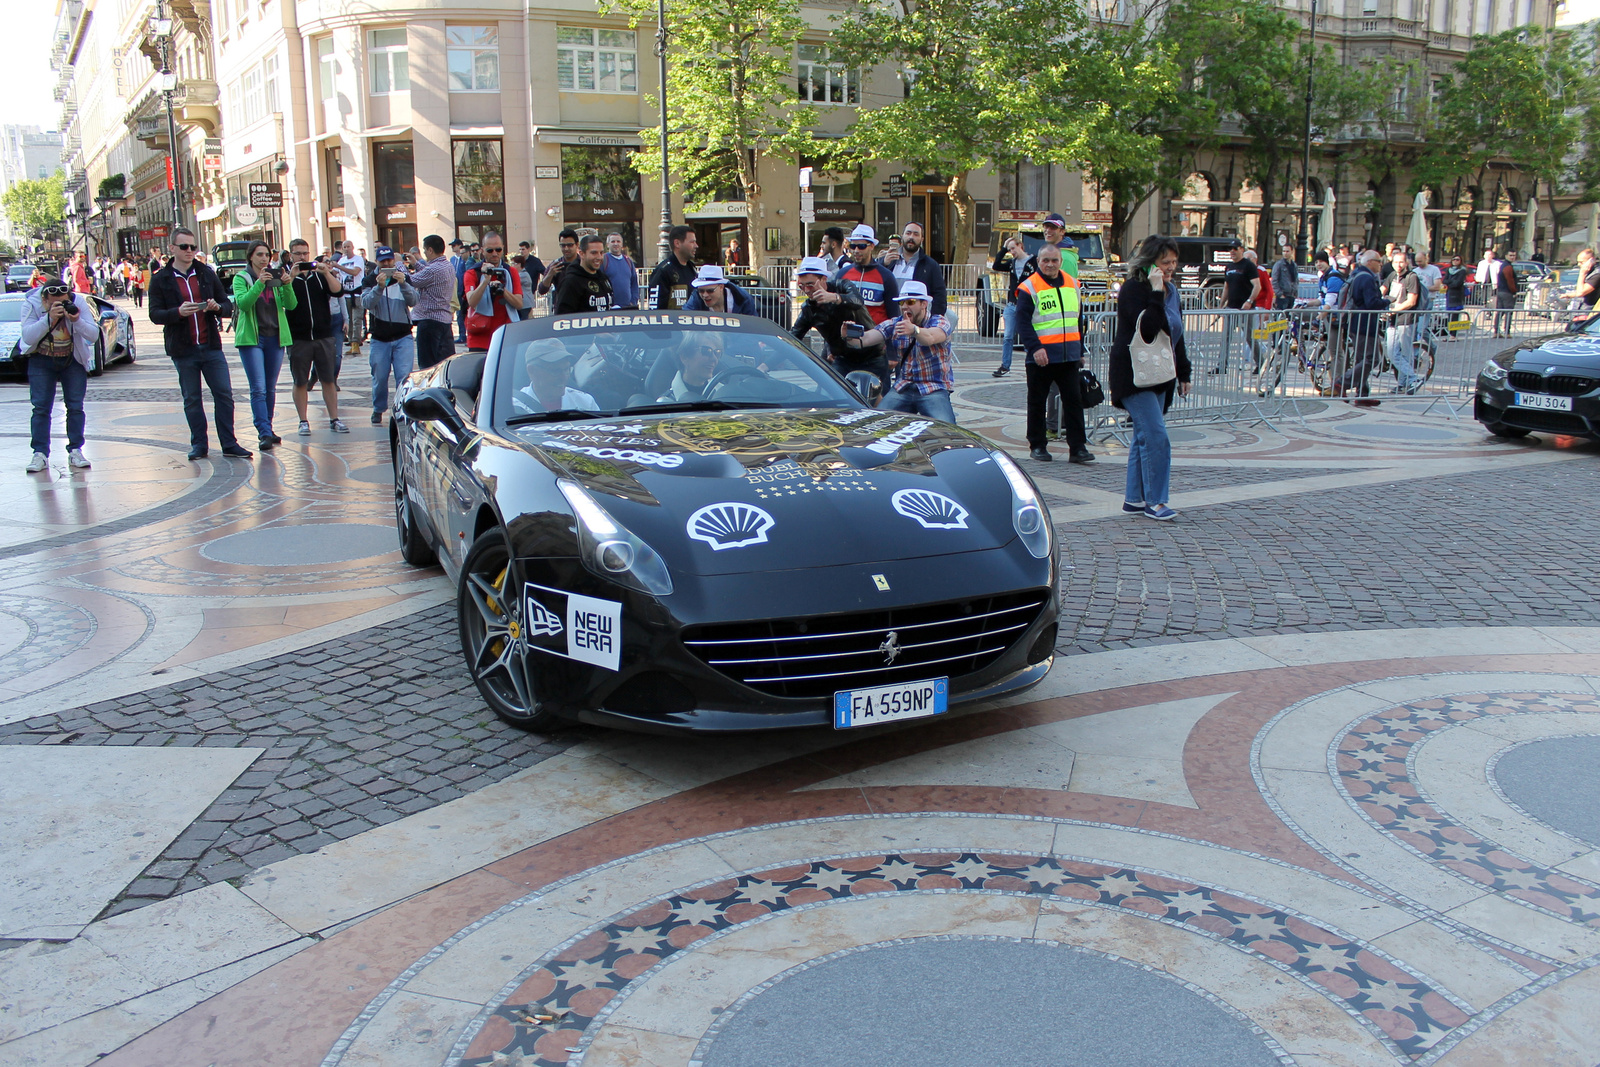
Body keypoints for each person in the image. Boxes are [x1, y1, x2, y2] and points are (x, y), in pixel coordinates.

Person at [1108, 235, 1191, 521]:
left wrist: (1184, 371)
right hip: (1132, 373)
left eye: (1173, 262)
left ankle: (1134, 499)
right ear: (1150, 262)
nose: (1170, 267)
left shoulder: (1173, 291)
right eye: (1164, 262)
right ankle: (1155, 501)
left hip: (1160, 372)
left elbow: (1175, 334)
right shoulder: (1133, 289)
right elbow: (1148, 330)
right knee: (1157, 436)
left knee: (1144, 436)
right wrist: (1156, 292)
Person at [149, 228, 249, 460]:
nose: (189, 251)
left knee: (224, 394)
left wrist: (217, 307)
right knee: (192, 398)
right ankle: (199, 445)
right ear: (172, 248)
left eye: (192, 247)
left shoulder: (205, 273)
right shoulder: (161, 279)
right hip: (183, 348)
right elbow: (155, 314)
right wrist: (177, 312)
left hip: (210, 345)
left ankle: (229, 443)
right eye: (184, 247)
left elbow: (227, 304)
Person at [1014, 245, 1091, 463]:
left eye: (1054, 260)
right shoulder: (1030, 287)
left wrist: (1080, 349)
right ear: (1038, 261)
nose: (1050, 264)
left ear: (1060, 261)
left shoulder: (1072, 283)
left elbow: (1078, 319)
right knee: (1037, 403)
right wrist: (1035, 348)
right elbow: (1023, 323)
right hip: (1041, 357)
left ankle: (1078, 448)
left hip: (1068, 355)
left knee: (1074, 402)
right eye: (1045, 260)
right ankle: (1037, 445)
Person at [845, 279, 956, 423]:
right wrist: (848, 336)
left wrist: (914, 330)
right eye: (901, 303)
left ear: (924, 304)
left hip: (933, 387)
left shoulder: (939, 321)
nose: (904, 307)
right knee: (877, 423)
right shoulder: (896, 323)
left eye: (910, 302)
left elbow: (930, 337)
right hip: (904, 386)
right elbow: (865, 339)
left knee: (947, 430)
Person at [19, 281, 99, 472]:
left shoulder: (77, 302)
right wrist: (48, 319)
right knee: (40, 407)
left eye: (63, 302)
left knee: (75, 406)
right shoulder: (31, 304)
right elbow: (27, 336)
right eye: (55, 302)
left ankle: (76, 450)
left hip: (72, 360)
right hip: (41, 359)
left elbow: (94, 335)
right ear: (44, 300)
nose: (60, 305)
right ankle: (39, 453)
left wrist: (76, 320)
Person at [232, 241, 298, 452]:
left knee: (270, 387)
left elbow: (292, 305)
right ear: (250, 256)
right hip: (253, 339)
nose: (264, 259)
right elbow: (243, 303)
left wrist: (287, 284)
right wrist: (259, 283)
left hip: (275, 337)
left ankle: (268, 427)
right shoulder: (241, 278)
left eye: (267, 255)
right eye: (259, 255)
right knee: (258, 388)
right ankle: (263, 432)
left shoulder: (275, 275)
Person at [790, 256, 887, 393]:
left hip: (871, 355)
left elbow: (858, 301)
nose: (806, 290)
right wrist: (763, 366)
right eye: (802, 285)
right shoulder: (809, 309)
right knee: (829, 395)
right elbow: (792, 338)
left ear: (823, 279)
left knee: (876, 401)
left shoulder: (842, 286)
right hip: (843, 358)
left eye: (810, 285)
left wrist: (834, 297)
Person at [282, 238, 347, 435]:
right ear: (291, 255)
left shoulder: (319, 275)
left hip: (323, 335)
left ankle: (334, 418)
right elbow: (283, 300)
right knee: (300, 380)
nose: (302, 257)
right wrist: (292, 277)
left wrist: (326, 272)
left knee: (328, 379)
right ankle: (303, 420)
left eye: (305, 253)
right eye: (298, 254)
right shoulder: (287, 277)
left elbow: (338, 291)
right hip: (299, 337)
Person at [362, 246, 418, 425]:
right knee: (379, 375)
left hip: (403, 336)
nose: (387, 264)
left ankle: (402, 409)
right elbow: (367, 303)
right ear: (377, 262)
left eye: (389, 261)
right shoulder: (370, 280)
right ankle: (378, 408)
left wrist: (404, 284)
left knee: (404, 375)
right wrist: (378, 287)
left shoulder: (402, 277)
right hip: (380, 337)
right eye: (383, 261)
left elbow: (414, 300)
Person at [1337, 249, 1387, 406]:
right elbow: (1372, 303)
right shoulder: (1366, 278)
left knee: (1361, 358)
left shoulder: (1357, 274)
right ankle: (1342, 383)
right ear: (1370, 262)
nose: (1381, 265)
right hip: (1365, 324)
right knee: (1372, 359)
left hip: (1357, 322)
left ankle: (1362, 394)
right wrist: (1387, 301)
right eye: (1379, 261)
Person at [464, 232, 526, 345]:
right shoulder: (473, 272)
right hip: (480, 337)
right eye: (490, 250)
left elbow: (519, 304)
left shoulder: (510, 272)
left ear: (503, 249)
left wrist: (502, 290)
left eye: (498, 250)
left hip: (506, 335)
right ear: (482, 250)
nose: (494, 254)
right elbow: (472, 302)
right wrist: (485, 281)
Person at [405, 235, 457, 369]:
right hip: (444, 320)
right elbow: (427, 276)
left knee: (428, 366)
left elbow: (411, 280)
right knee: (444, 364)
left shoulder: (433, 269)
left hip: (430, 321)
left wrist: (399, 265)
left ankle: (430, 389)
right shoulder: (447, 265)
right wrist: (416, 264)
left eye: (424, 250)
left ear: (430, 250)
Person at [833, 224, 899, 325]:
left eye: (861, 246)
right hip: (847, 336)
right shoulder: (842, 274)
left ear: (872, 246)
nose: (856, 251)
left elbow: (894, 316)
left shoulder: (886, 276)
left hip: (876, 337)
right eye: (853, 246)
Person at [513, 338, 600, 414]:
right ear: (532, 371)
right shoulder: (515, 407)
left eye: (567, 369)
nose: (564, 377)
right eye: (555, 371)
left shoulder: (585, 402)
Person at [881, 221, 947, 316]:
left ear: (922, 239)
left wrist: (933, 321)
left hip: (917, 321)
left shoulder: (930, 265)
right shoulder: (888, 260)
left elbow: (940, 296)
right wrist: (883, 264)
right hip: (889, 317)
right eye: (908, 233)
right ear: (902, 236)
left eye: (916, 234)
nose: (911, 237)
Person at [990, 234, 1032, 378]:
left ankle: (1031, 364)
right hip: (1012, 304)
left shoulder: (1033, 261)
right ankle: (1005, 365)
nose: (1012, 252)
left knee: (1027, 336)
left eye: (1013, 248)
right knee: (1008, 336)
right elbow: (996, 265)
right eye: (1010, 250)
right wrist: (1003, 249)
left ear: (1021, 246)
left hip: (1027, 305)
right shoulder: (1012, 263)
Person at [1217, 238, 1260, 373]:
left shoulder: (1248, 266)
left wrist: (1249, 301)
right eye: (1230, 249)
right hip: (1231, 308)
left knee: (1250, 338)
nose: (1232, 251)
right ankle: (1221, 366)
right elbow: (1226, 287)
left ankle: (1262, 362)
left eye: (1235, 249)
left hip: (1245, 310)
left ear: (1242, 249)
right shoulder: (1229, 267)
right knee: (1226, 337)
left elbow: (1257, 286)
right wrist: (1221, 305)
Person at [1384, 248, 1423, 395]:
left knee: (1405, 353)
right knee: (1393, 352)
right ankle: (1408, 380)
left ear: (1406, 263)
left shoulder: (1411, 277)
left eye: (1401, 262)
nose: (1398, 265)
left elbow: (1412, 301)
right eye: (1395, 262)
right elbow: (1383, 289)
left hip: (1406, 319)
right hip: (1392, 319)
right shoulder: (1392, 275)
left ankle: (1407, 381)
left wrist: (1395, 309)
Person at [551, 233, 612, 316]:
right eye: (594, 253)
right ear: (582, 254)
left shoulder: (604, 279)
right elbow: (562, 317)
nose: (599, 257)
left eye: (601, 253)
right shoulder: (571, 282)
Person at [658, 333, 724, 402]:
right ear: (684, 357)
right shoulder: (667, 402)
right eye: (706, 351)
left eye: (717, 352)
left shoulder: (725, 393)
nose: (714, 359)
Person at [647, 225, 700, 310]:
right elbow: (655, 310)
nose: (696, 246)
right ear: (677, 243)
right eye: (692, 242)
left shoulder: (691, 268)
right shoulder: (663, 271)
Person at [684, 264, 756, 314]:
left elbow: (752, 328)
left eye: (710, 291)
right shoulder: (696, 297)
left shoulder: (743, 298)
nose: (705, 295)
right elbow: (685, 317)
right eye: (701, 291)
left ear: (721, 287)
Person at [602, 232, 640, 309]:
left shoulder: (628, 261)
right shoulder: (603, 260)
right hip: (610, 309)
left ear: (622, 244)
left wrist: (633, 302)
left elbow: (634, 284)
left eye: (618, 241)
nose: (616, 244)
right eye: (613, 241)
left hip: (628, 308)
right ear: (607, 245)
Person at [1440, 253, 1471, 333]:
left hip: (1457, 295)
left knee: (1455, 316)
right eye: (1453, 259)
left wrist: (1450, 282)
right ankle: (1450, 333)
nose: (1455, 261)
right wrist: (1450, 282)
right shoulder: (1449, 270)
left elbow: (1457, 283)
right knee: (1449, 315)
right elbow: (1444, 280)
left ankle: (1453, 334)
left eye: (1457, 259)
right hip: (1449, 294)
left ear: (1460, 261)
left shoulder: (1462, 271)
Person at [449, 238, 470, 343]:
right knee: (458, 314)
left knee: (464, 313)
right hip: (455, 289)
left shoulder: (464, 259)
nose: (453, 247)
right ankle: (462, 335)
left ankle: (467, 334)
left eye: (454, 245)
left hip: (463, 289)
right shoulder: (452, 259)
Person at [1494, 249, 1518, 337]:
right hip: (1507, 292)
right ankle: (1507, 332)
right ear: (1506, 256)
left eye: (1514, 255)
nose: (1512, 257)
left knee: (1500, 312)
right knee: (1508, 312)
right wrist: (1514, 291)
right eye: (1511, 255)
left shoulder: (1503, 265)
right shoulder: (1507, 267)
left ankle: (1496, 331)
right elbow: (1510, 281)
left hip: (1501, 291)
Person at [1271, 246, 1297, 311]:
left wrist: (1295, 293)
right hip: (1283, 295)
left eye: (1287, 251)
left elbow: (1296, 279)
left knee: (1288, 316)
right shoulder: (1279, 264)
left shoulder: (1294, 265)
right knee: (1281, 316)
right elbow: (1274, 280)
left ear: (1292, 252)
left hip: (1291, 295)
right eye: (1284, 251)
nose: (1285, 253)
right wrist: (1280, 294)